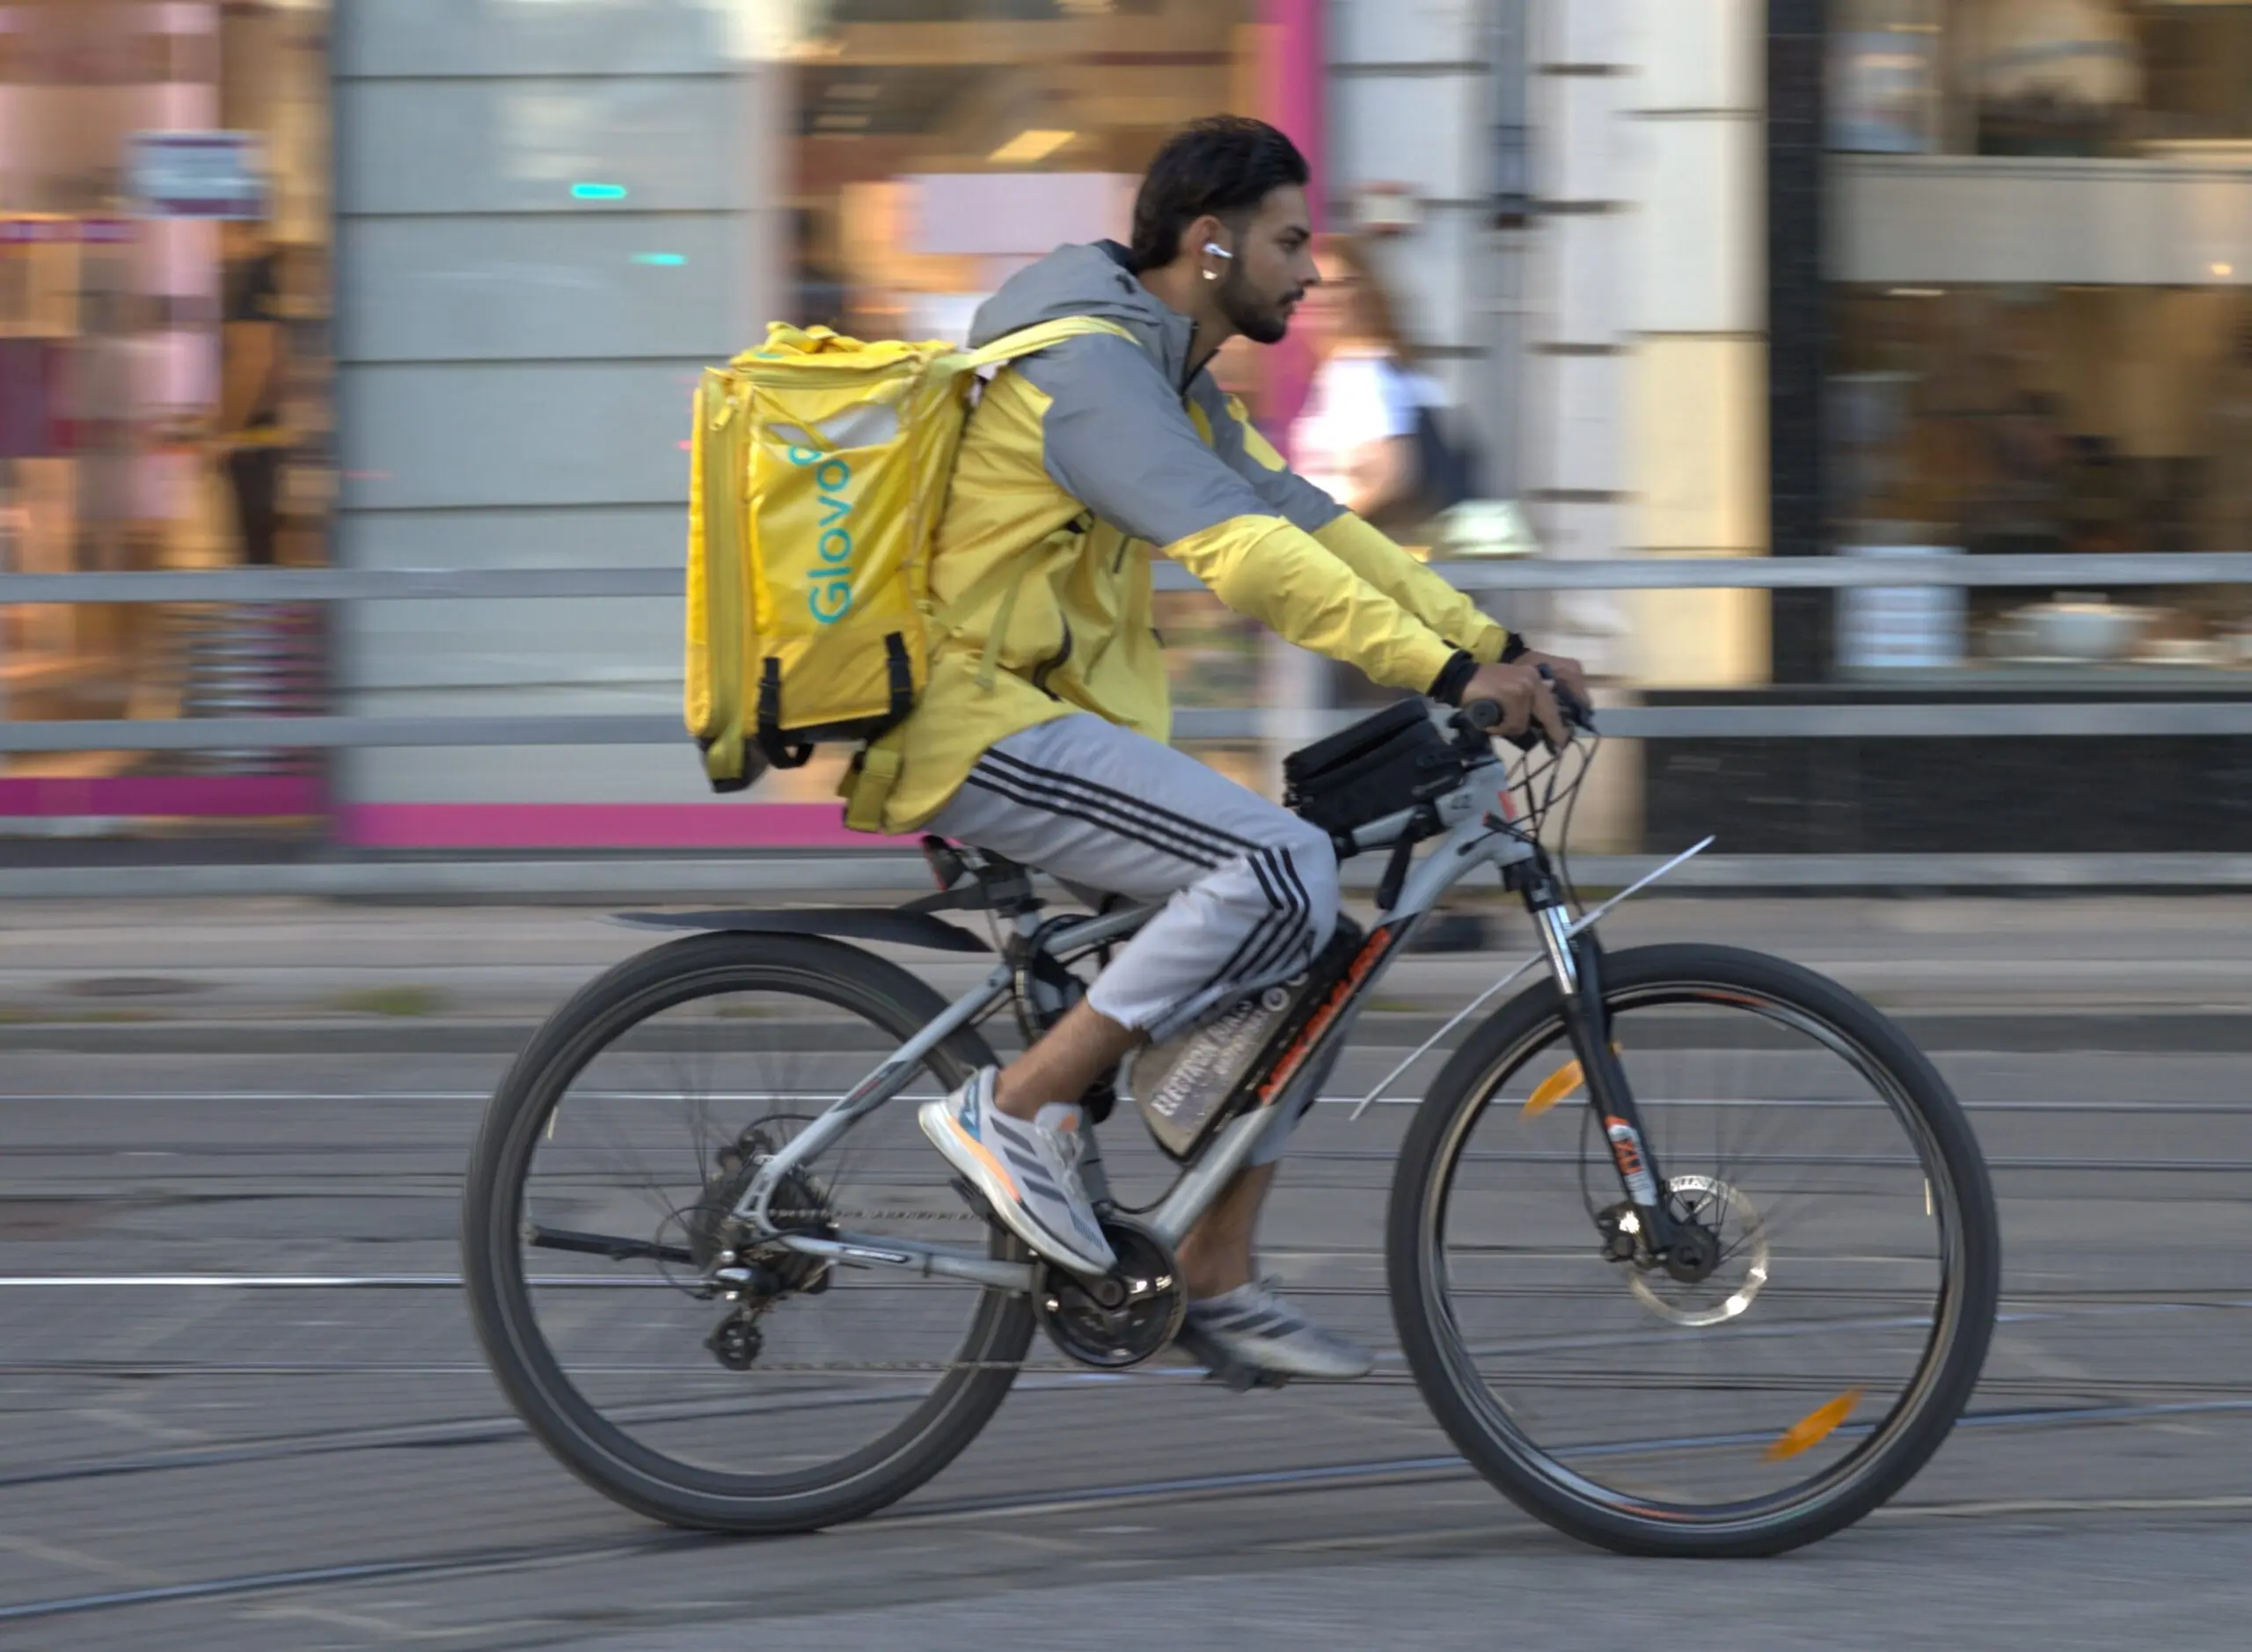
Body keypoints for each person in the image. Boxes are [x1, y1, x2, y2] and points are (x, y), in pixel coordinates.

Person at [845, 115, 1584, 1380]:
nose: (1308, 270)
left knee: (1318, 948)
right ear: (1210, 238)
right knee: (1284, 862)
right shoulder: (1088, 370)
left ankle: (1216, 1269)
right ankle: (1014, 1107)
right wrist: (1453, 677)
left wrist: (1496, 639)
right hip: (969, 719)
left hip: (1044, 721)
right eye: (1291, 241)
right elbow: (1240, 557)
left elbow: (1314, 525)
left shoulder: (1171, 381)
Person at [1292, 231, 1451, 538]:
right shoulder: (1387, 368)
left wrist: (1316, 536)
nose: (1322, 299)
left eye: (1336, 286)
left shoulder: (1356, 372)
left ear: (1362, 296)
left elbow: (1388, 475)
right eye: (1310, 286)